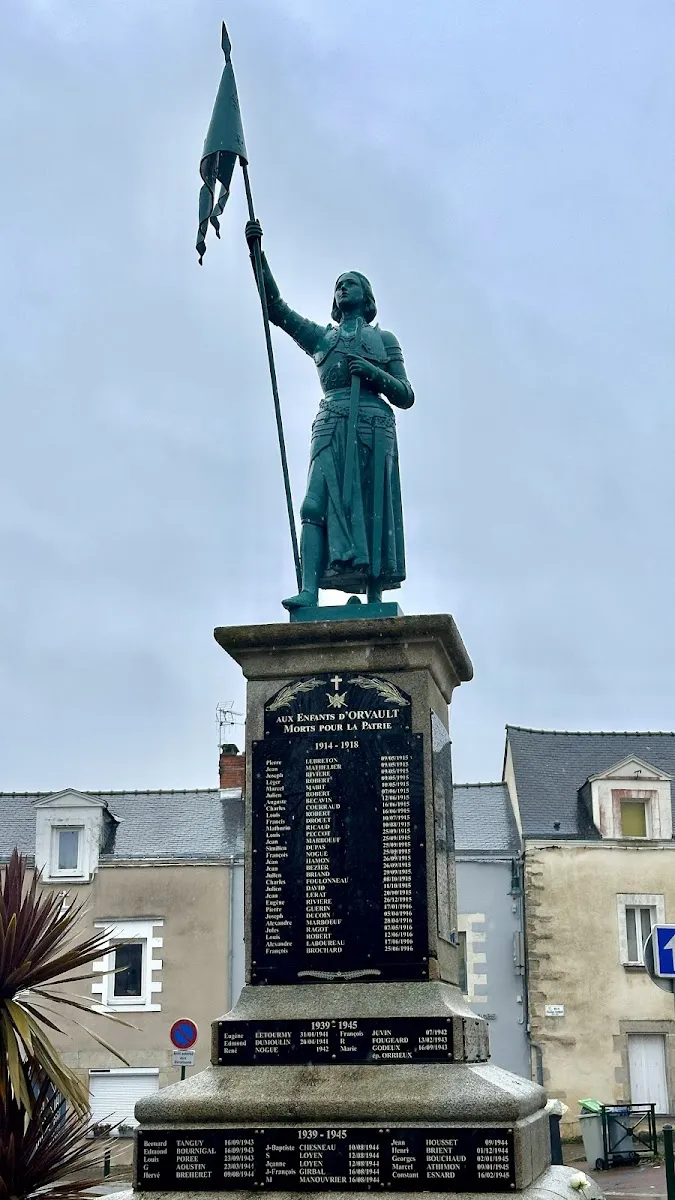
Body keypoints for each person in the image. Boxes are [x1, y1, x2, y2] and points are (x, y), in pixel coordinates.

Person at [245, 220, 414, 611]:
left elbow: (406, 394)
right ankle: (309, 591)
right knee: (313, 505)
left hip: (374, 425)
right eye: (339, 285)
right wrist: (258, 255)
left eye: (351, 283)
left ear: (366, 296)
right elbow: (276, 309)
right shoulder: (323, 338)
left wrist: (372, 373)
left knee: (373, 510)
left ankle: (375, 595)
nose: (343, 288)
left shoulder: (384, 340)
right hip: (332, 423)